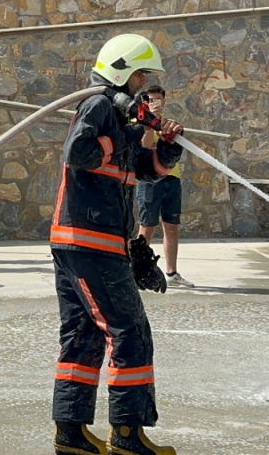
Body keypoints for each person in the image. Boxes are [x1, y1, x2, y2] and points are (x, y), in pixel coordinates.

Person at [50, 34, 184, 455]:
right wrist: (130, 130)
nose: (143, 84)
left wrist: (166, 146)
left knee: (83, 334)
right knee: (130, 331)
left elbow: (141, 171)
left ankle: (70, 433)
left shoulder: (116, 115)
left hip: (82, 240)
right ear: (121, 70)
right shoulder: (99, 105)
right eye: (140, 74)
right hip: (92, 241)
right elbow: (80, 152)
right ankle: (127, 434)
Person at [136, 86, 193, 289]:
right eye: (150, 100)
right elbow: (145, 147)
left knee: (171, 227)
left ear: (164, 102)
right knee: (147, 227)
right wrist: (150, 124)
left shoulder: (168, 124)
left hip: (172, 179)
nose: (154, 104)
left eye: (158, 100)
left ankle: (172, 272)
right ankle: (138, 271)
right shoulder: (141, 123)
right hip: (150, 181)